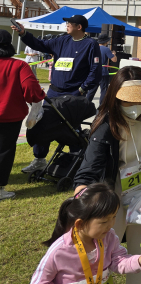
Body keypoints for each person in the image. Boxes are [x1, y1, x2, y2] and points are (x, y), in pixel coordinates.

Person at [73, 66, 141, 284]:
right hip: (114, 194)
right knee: (102, 252)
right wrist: (82, 207)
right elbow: (87, 172)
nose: (135, 107)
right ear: (115, 98)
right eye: (128, 101)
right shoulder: (105, 127)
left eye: (140, 100)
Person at [12, 15, 101, 174]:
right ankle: (39, 159)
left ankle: (76, 158)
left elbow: (95, 72)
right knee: (42, 123)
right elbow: (39, 44)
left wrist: (81, 90)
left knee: (71, 125)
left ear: (79, 27)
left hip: (73, 95)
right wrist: (24, 33)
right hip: (53, 92)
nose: (66, 25)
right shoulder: (61, 40)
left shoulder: (90, 44)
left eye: (69, 23)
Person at [30, 183, 141, 284]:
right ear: (80, 224)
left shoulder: (109, 237)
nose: (111, 224)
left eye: (114, 217)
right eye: (104, 221)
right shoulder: (59, 251)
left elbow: (118, 261)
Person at [0, 30, 46, 201]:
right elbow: (31, 90)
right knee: (4, 151)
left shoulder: (19, 65)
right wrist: (38, 97)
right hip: (10, 115)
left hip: (10, 115)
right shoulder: (19, 65)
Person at [87, 33, 118, 105]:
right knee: (104, 90)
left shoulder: (93, 48)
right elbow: (114, 60)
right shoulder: (106, 49)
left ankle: (86, 105)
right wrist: (114, 54)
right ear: (106, 41)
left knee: (91, 90)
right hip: (103, 73)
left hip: (94, 72)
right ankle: (101, 107)